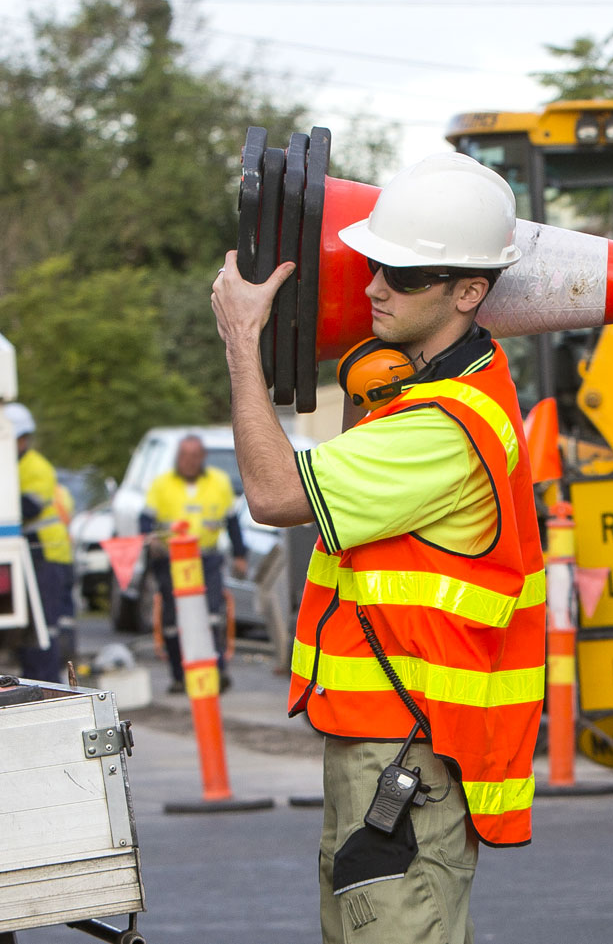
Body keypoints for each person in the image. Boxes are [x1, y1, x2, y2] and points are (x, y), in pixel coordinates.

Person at [209, 153, 545, 943]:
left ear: (469, 293)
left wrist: (241, 342)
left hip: (405, 756)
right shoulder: (441, 396)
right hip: (394, 750)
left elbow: (271, 493)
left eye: (403, 272)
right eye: (372, 264)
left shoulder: (437, 429)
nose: (373, 287)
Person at [140, 434, 247, 694]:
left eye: (193, 457)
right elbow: (145, 520)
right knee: (173, 620)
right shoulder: (162, 484)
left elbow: (232, 523)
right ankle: (179, 676)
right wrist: (150, 540)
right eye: (183, 456)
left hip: (206, 559)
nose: (188, 462)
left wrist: (239, 555)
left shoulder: (218, 482)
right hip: (170, 561)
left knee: (210, 616)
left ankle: (216, 672)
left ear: (202, 458)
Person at [7, 402, 75, 681]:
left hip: (46, 555)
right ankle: (34, 680)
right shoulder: (12, 465)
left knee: (44, 627)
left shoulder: (37, 468)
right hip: (35, 555)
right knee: (32, 627)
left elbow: (27, 508)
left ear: (21, 439)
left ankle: (48, 684)